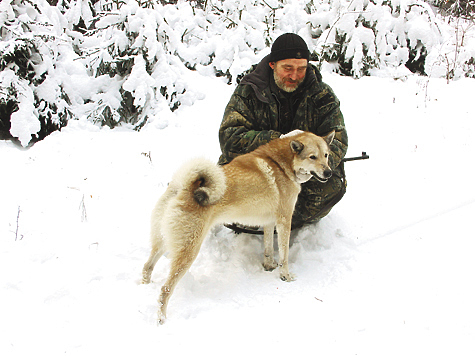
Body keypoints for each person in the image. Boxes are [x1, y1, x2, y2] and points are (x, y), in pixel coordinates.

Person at [218, 33, 348, 230]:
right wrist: (278, 142)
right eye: (287, 68)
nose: (294, 75)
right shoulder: (249, 91)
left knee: (331, 187)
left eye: (301, 69)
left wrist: (309, 167)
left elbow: (338, 138)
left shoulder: (322, 94)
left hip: (306, 171)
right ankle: (254, 221)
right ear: (272, 65)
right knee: (221, 188)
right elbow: (229, 137)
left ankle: (286, 221)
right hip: (258, 169)